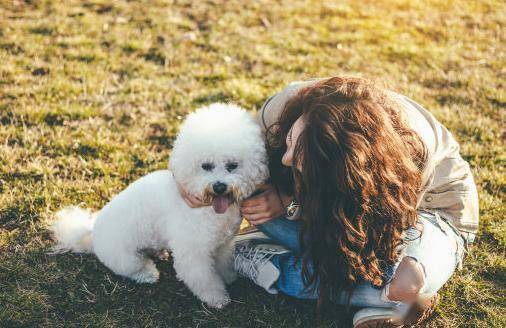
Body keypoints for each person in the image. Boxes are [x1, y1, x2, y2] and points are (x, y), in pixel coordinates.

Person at [179, 77, 479, 327]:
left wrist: (293, 206)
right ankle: (380, 298)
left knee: (406, 283)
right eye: (291, 143)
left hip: (428, 210)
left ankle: (386, 295)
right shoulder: (284, 109)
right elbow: (226, 152)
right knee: (358, 274)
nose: (284, 159)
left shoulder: (406, 152)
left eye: (300, 160)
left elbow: (368, 236)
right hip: (327, 211)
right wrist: (185, 180)